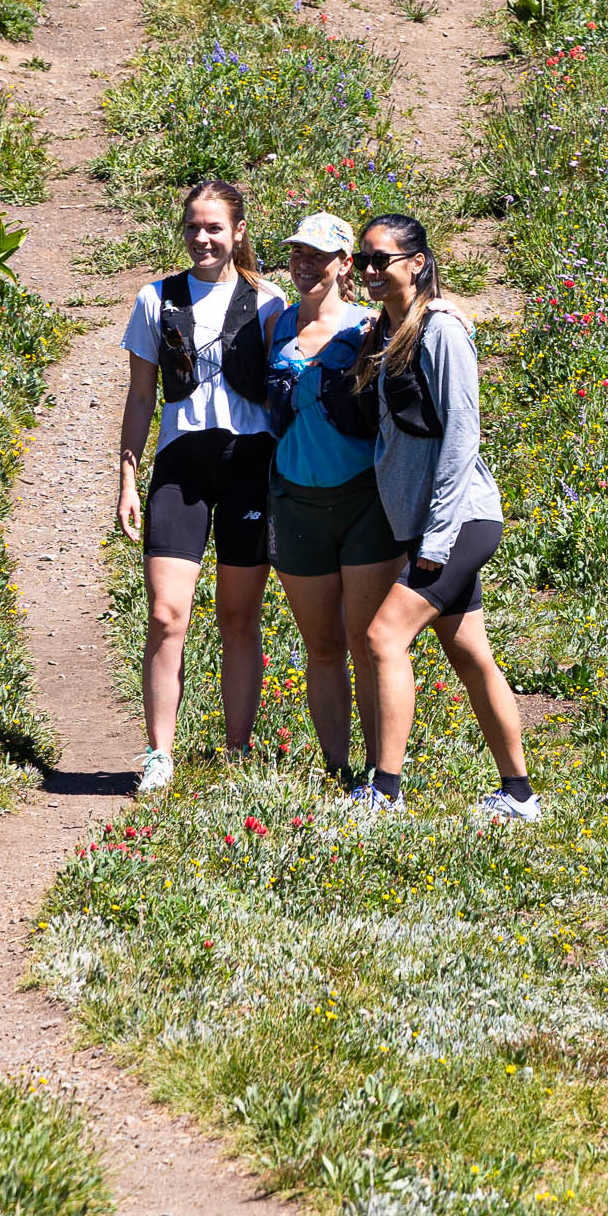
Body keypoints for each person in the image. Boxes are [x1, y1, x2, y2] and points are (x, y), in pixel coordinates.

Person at [347, 213, 538, 821]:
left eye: (383, 259)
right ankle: (519, 795)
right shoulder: (385, 329)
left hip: (458, 521)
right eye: (364, 260)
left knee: (383, 637)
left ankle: (385, 791)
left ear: (418, 263)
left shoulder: (441, 333)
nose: (371, 270)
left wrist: (436, 535)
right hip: (424, 523)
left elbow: (462, 437)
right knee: (469, 654)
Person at [117, 180, 285, 793]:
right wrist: (128, 477)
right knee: (166, 614)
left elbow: (286, 386)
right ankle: (159, 752)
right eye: (193, 226)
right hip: (180, 464)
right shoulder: (154, 299)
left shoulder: (269, 302)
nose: (203, 238)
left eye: (214, 227)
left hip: (250, 460)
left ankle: (236, 751)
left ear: (239, 230)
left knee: (239, 616)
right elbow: (140, 396)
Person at [265, 213, 405, 787]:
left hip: (362, 501)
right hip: (294, 501)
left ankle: (379, 773)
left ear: (346, 263)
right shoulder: (272, 325)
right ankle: (336, 771)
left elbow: (432, 318)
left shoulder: (371, 327)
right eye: (298, 254)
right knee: (320, 645)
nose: (305, 266)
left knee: (365, 642)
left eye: (319, 257)